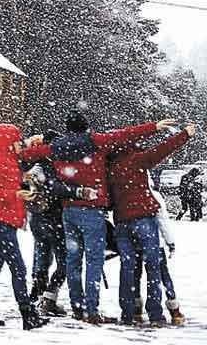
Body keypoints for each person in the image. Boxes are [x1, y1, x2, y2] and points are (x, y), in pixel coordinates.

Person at [20, 112, 171, 324]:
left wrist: (17, 150)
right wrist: (154, 126)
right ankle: (91, 310)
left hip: (68, 212)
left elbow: (31, 155)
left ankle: (77, 307)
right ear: (85, 127)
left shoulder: (58, 147)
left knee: (73, 261)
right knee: (93, 261)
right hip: (92, 211)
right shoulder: (96, 141)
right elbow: (125, 135)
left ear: (68, 128)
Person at [106, 124, 193, 326]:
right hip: (144, 217)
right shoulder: (137, 160)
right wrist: (185, 135)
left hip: (121, 222)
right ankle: (155, 315)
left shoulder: (109, 168)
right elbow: (163, 149)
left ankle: (129, 313)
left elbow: (108, 200)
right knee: (153, 267)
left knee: (128, 268)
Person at [0, 124, 48, 329]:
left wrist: (24, 188)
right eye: (16, 139)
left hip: (6, 221)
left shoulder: (11, 160)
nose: (19, 142)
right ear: (7, 141)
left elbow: (25, 155)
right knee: (19, 268)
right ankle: (28, 314)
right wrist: (15, 194)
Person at [20, 132, 95, 317]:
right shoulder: (50, 164)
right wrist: (78, 192)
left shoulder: (31, 164)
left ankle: (36, 296)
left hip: (37, 218)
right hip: (54, 219)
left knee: (42, 258)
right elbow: (55, 187)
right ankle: (48, 297)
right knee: (64, 263)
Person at [148, 177, 185, 325]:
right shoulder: (155, 196)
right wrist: (170, 241)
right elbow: (163, 220)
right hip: (156, 243)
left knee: (135, 275)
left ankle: (135, 308)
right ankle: (173, 308)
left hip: (133, 242)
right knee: (163, 276)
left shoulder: (124, 194)